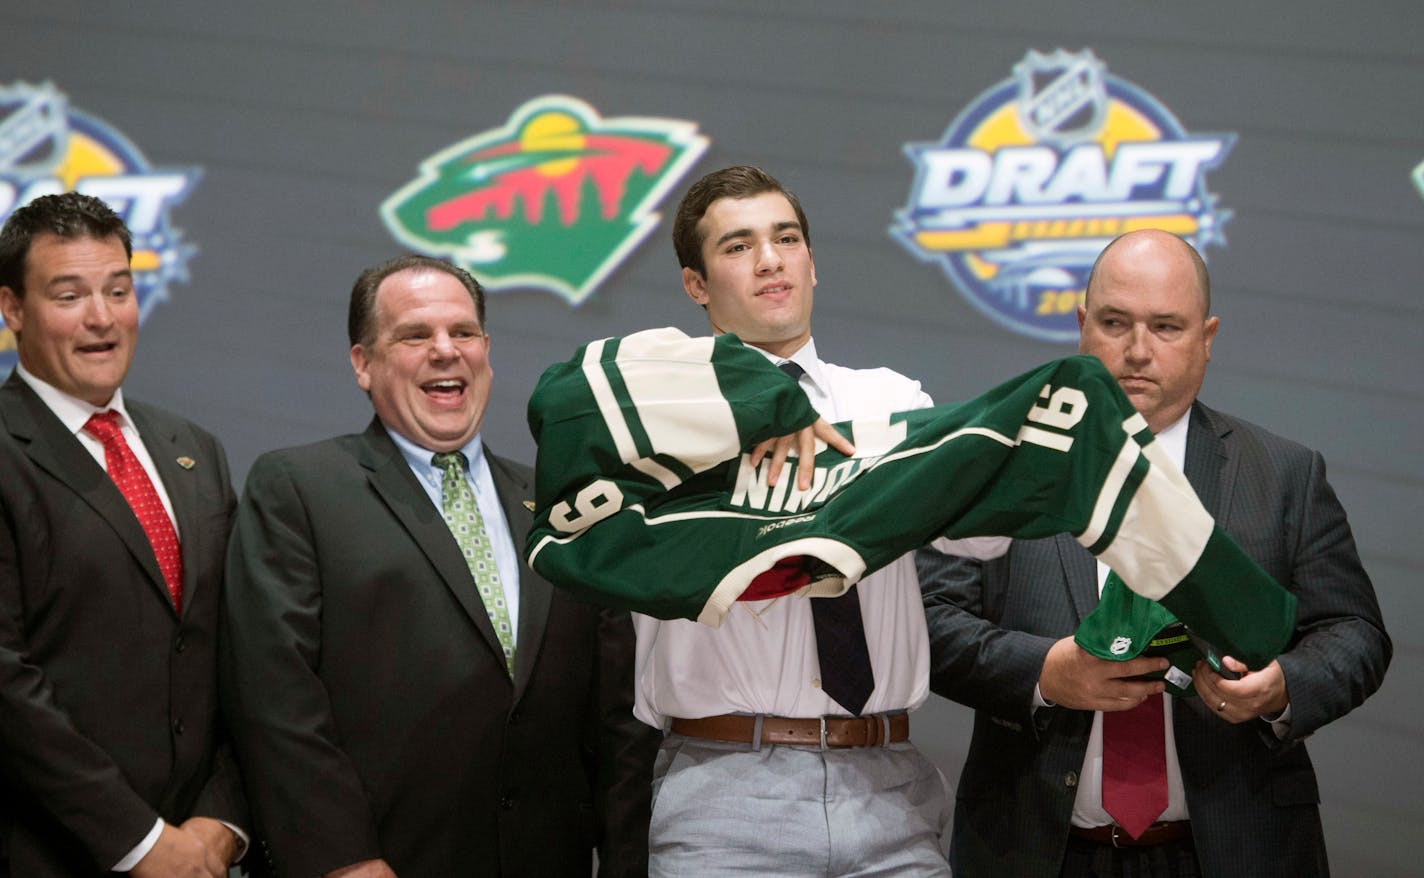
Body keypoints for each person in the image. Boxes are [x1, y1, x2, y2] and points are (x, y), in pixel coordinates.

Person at [919, 228, 1391, 877]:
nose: (1138, 351)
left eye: (1167, 327)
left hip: (1236, 849)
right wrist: (1045, 673)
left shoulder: (1283, 474)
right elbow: (931, 623)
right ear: (1083, 325)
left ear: (1208, 336)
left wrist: (1281, 688)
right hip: (1032, 849)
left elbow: (1355, 634)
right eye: (1115, 323)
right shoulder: (1001, 461)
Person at [219, 255, 657, 878]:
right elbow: (274, 696)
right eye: (415, 335)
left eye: (464, 332)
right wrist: (341, 858)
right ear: (363, 364)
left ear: (487, 351)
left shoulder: (565, 509)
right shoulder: (299, 488)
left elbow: (617, 719)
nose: (446, 350)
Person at [635, 165, 1004, 877]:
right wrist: (757, 414)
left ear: (812, 262)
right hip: (726, 791)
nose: (770, 260)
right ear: (697, 285)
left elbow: (982, 535)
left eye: (787, 238)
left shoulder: (890, 400)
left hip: (890, 784)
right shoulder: (660, 415)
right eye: (738, 247)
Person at [0, 192, 246, 877]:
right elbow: (6, 684)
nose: (102, 317)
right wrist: (141, 843)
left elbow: (241, 653)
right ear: (12, 308)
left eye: (118, 288)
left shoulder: (193, 449)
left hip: (202, 855)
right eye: (69, 294)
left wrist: (221, 823)